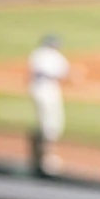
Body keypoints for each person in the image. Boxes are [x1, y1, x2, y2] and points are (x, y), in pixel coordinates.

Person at [28, 34, 70, 172]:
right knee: (51, 125)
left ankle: (40, 156)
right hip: (48, 91)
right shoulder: (52, 56)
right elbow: (61, 75)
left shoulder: (37, 54)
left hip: (37, 89)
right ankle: (48, 158)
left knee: (44, 124)